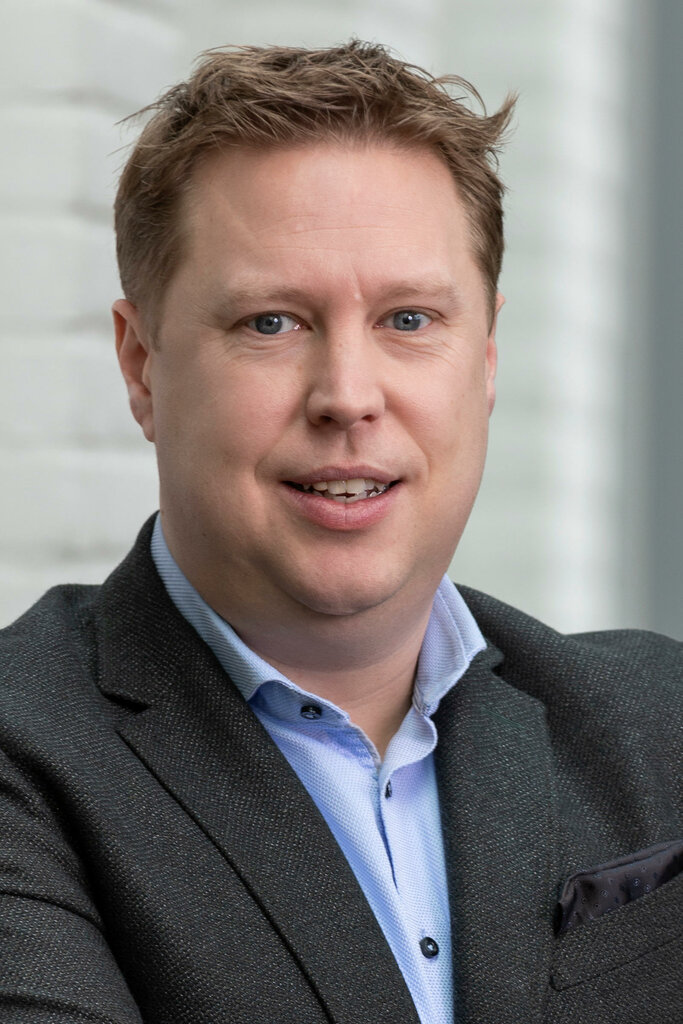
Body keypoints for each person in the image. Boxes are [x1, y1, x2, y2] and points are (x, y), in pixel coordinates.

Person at [0, 40, 680, 1024]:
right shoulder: (24, 757)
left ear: (486, 359)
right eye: (271, 323)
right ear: (141, 363)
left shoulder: (657, 724)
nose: (347, 396)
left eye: (408, 320)